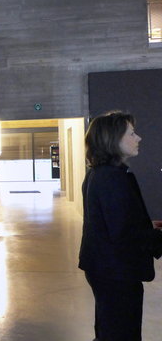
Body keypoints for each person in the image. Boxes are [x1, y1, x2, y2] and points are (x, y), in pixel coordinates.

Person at [79, 111, 162, 341]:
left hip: (105, 267)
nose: (139, 138)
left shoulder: (99, 174)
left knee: (109, 330)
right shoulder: (112, 178)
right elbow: (124, 233)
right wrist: (156, 239)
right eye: (132, 133)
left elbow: (114, 221)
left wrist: (148, 226)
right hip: (116, 271)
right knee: (122, 333)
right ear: (112, 139)